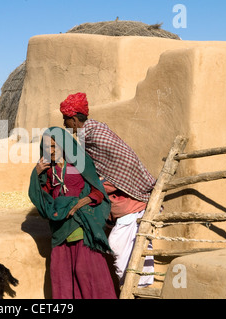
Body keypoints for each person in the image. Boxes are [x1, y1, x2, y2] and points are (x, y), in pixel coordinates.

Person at [60, 92, 156, 287]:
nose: (64, 124)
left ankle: (135, 288)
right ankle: (133, 287)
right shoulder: (90, 135)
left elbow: (123, 163)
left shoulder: (96, 134)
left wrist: (96, 187)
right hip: (121, 204)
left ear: (73, 119)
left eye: (65, 119)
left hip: (133, 201)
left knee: (118, 250)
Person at [28, 127, 117, 299]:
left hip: (82, 223)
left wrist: (79, 204)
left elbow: (97, 192)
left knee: (86, 270)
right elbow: (42, 197)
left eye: (54, 146)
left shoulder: (79, 163)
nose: (51, 151)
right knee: (61, 272)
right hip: (60, 226)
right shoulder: (47, 170)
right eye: (47, 147)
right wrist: (36, 173)